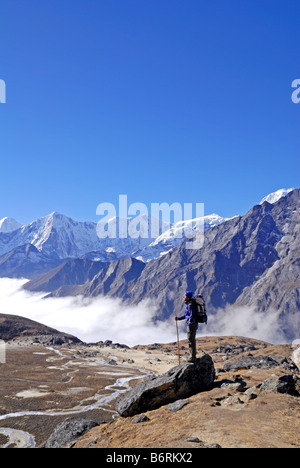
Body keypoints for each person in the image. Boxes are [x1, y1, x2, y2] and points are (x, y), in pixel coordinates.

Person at [175, 291, 198, 363]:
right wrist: (178, 318)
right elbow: (186, 315)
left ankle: (193, 357)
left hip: (191, 325)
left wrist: (190, 322)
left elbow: (192, 314)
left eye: (184, 296)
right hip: (192, 324)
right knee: (191, 339)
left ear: (188, 297)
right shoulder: (189, 304)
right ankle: (192, 356)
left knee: (191, 340)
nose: (183, 297)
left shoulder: (191, 305)